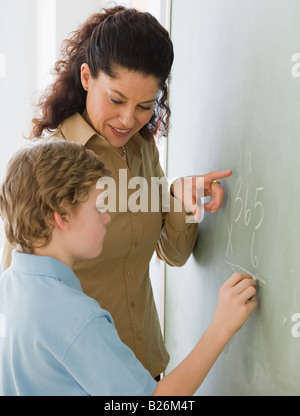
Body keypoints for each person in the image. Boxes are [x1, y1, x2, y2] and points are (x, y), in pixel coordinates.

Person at [1, 6, 232, 379]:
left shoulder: (142, 150)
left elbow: (173, 254)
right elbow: (21, 287)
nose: (129, 120)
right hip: (82, 379)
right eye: (117, 100)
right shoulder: (49, 166)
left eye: (145, 106)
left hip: (147, 373)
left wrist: (177, 198)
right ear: (87, 77)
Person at [0, 141, 257, 396]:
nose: (107, 216)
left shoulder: (10, 285)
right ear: (62, 216)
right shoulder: (77, 320)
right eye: (99, 207)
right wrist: (221, 327)